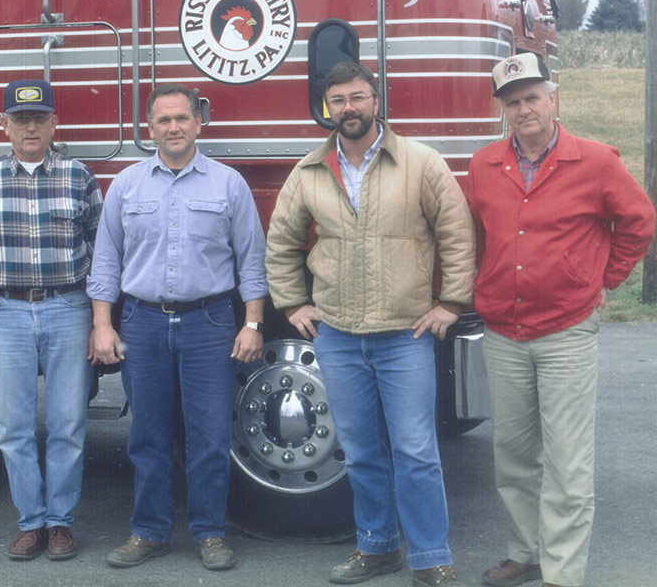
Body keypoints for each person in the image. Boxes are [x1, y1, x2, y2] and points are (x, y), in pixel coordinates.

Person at [265, 62, 474, 586]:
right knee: (360, 453)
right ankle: (378, 548)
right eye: (338, 100)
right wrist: (293, 305)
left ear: (376, 102)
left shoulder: (420, 162)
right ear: (327, 109)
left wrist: (450, 303)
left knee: (416, 451)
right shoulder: (309, 171)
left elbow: (457, 232)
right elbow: (282, 243)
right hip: (336, 334)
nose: (349, 108)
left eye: (358, 97)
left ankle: (430, 558)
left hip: (405, 334)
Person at [465, 53, 656, 587]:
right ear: (502, 109)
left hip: (566, 332)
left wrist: (603, 279)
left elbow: (639, 221)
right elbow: (476, 233)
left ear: (553, 99)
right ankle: (526, 553)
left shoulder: (595, 161)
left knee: (569, 464)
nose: (523, 109)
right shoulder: (484, 165)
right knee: (513, 457)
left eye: (532, 98)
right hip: (503, 332)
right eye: (512, 101)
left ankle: (563, 574)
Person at [87, 83, 268, 571]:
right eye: (163, 120)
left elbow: (253, 261)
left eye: (181, 119)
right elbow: (105, 262)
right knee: (147, 435)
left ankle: (210, 533)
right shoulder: (125, 185)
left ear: (198, 123)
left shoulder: (228, 184)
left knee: (209, 435)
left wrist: (252, 322)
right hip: (142, 322)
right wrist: (102, 325)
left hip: (209, 321)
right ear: (149, 128)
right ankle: (149, 532)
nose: (173, 127)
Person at [0, 79, 102, 561]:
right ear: (5, 127)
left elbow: (102, 257)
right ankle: (31, 522)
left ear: (55, 123)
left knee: (68, 423)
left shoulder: (80, 177)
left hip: (68, 307)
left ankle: (60, 522)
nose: (31, 127)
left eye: (39, 118)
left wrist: (102, 320)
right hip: (3, 312)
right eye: (20, 119)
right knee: (13, 426)